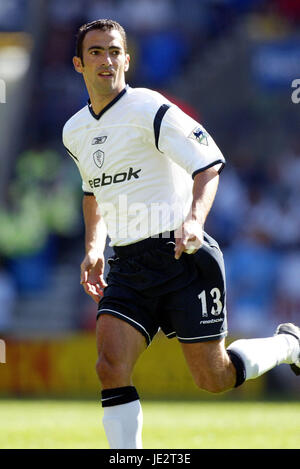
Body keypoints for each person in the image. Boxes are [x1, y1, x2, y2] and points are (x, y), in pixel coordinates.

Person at [62, 19, 300, 449]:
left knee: (215, 377)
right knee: (109, 365)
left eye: (115, 51)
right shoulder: (74, 131)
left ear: (127, 60)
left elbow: (208, 163)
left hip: (182, 256)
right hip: (129, 265)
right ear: (79, 63)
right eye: (96, 52)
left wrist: (194, 220)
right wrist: (94, 247)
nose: (107, 60)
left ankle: (286, 345)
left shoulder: (149, 108)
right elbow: (92, 192)